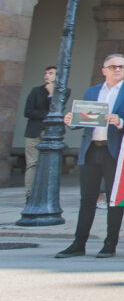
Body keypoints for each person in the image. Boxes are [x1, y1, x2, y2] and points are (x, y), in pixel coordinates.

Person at [54, 55, 124, 259]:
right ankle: (79, 244)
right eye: (113, 67)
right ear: (104, 70)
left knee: (114, 199)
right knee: (87, 199)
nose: (117, 69)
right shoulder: (92, 92)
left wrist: (120, 121)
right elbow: (85, 118)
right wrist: (72, 120)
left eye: (122, 67)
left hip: (115, 151)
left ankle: (110, 244)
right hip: (91, 148)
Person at [23, 66, 56, 202]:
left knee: (50, 165)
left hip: (52, 133)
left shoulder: (63, 92)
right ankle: (29, 195)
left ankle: (45, 195)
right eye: (46, 73)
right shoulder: (36, 91)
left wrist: (52, 94)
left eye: (51, 73)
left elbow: (57, 109)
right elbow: (28, 111)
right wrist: (48, 114)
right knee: (33, 163)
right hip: (34, 132)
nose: (47, 75)